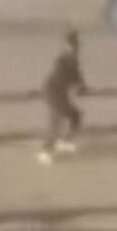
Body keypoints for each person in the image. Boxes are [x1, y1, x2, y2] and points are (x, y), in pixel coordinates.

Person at [38, 31, 89, 166]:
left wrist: (82, 87)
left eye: (76, 45)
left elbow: (78, 76)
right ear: (66, 45)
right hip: (53, 92)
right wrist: (78, 86)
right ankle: (45, 152)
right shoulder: (62, 59)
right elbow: (66, 77)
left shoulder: (72, 58)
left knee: (75, 116)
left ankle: (64, 142)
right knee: (56, 121)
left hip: (61, 93)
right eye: (72, 45)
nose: (75, 47)